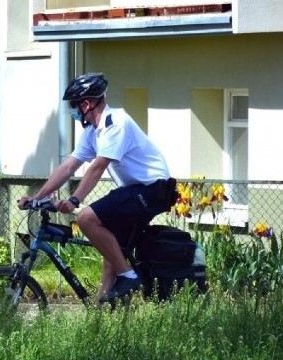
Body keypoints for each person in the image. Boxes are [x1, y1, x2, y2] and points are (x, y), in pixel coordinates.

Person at [17, 73, 175, 303]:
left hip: (153, 189)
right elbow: (69, 166)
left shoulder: (116, 123)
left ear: (86, 104)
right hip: (135, 190)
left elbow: (98, 166)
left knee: (86, 218)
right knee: (111, 251)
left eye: (74, 106)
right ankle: (100, 316)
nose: (73, 111)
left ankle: (129, 276)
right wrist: (36, 197)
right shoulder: (93, 132)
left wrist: (74, 200)